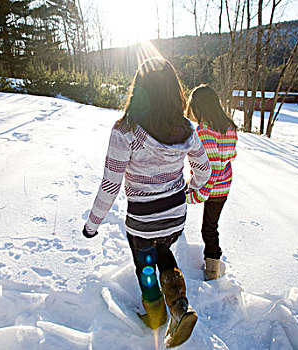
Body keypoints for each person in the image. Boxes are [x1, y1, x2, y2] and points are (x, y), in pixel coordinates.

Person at [83, 57, 211, 348]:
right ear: (173, 89)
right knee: (163, 249)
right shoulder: (186, 129)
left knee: (146, 264)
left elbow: (111, 184)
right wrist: (190, 193)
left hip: (143, 220)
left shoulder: (125, 130)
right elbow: (204, 170)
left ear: (139, 88)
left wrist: (92, 225)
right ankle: (179, 305)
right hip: (175, 215)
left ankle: (155, 317)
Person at [185, 84, 238, 281]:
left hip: (210, 187)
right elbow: (230, 155)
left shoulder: (204, 130)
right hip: (224, 186)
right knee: (212, 225)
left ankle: (212, 271)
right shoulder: (229, 126)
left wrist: (199, 193)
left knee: (208, 229)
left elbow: (211, 168)